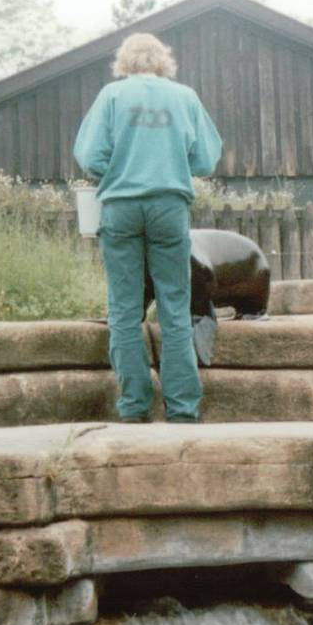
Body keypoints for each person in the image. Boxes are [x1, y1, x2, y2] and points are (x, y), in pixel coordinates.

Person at [74, 32, 223, 422]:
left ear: (124, 62)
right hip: (168, 205)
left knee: (123, 311)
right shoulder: (185, 97)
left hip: (120, 207)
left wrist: (122, 169)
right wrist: (169, 162)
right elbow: (206, 159)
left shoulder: (111, 97)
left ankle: (134, 407)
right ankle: (183, 409)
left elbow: (90, 156)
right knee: (174, 308)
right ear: (163, 61)